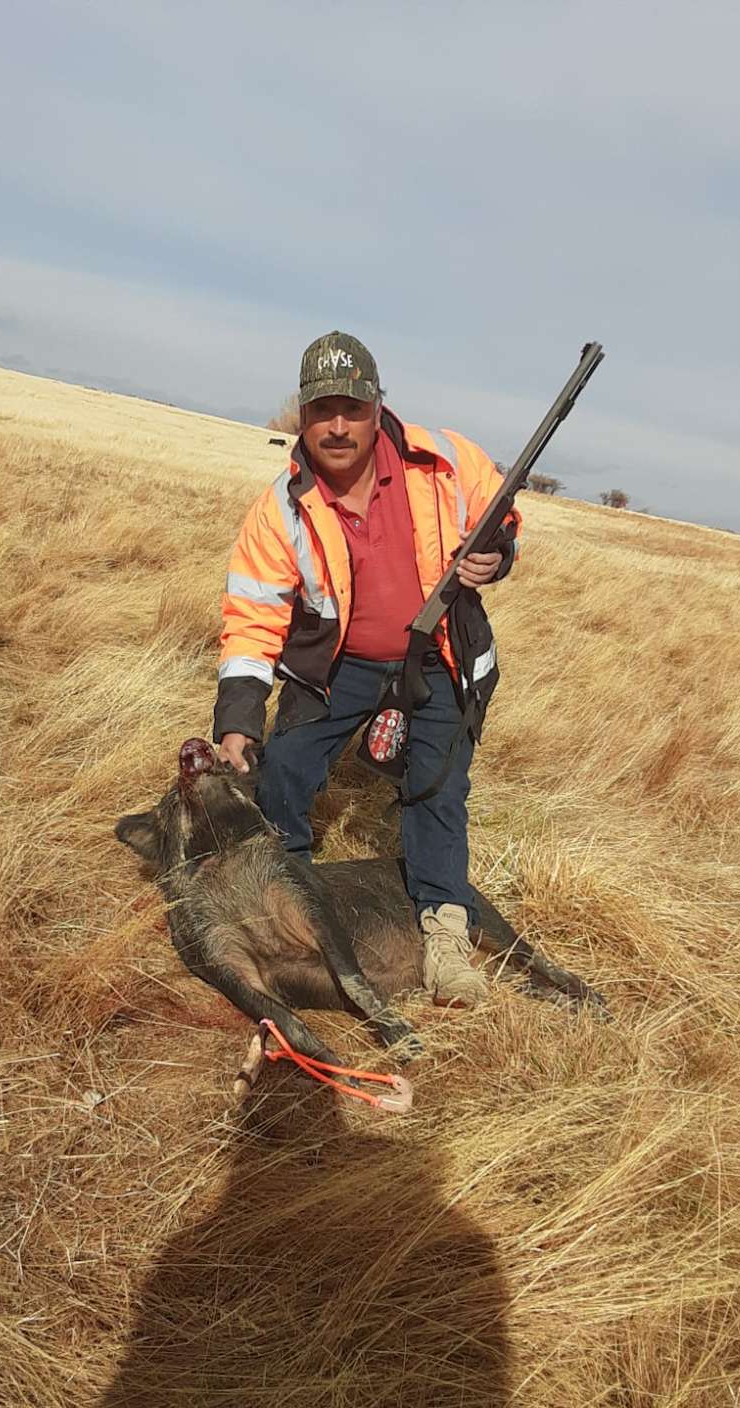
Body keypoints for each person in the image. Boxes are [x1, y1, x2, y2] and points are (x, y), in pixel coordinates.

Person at [213, 331, 520, 1007]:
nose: (338, 426)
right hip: (338, 664)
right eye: (323, 410)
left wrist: (496, 556)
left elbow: (503, 518)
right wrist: (237, 723)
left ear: (378, 407)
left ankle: (445, 935)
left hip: (439, 655)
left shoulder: (445, 461)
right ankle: (288, 902)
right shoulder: (280, 509)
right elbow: (253, 618)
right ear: (303, 415)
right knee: (283, 770)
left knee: (437, 790)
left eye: (352, 409)